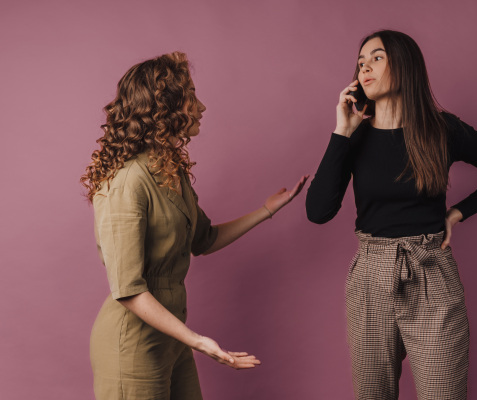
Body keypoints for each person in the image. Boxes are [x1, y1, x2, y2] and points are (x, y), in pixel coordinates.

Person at [305, 30, 477, 400]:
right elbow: (318, 212)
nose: (364, 68)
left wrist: (456, 214)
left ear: (404, 65)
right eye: (360, 62)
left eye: (376, 58)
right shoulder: (354, 137)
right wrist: (342, 131)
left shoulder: (442, 129)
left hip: (431, 270)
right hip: (371, 277)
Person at [81, 51, 308, 400]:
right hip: (132, 347)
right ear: (164, 109)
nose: (201, 108)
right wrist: (199, 341)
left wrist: (266, 209)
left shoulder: (169, 171)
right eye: (191, 98)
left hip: (171, 338)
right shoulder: (127, 182)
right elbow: (128, 290)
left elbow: (204, 238)